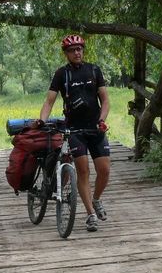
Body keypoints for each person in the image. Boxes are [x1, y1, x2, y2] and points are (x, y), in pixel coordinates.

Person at [38, 34, 110, 232]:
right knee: (83, 171)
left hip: (96, 128)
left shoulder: (94, 70)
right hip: (75, 130)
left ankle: (96, 199)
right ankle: (90, 214)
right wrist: (42, 120)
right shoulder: (62, 74)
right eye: (72, 50)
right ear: (66, 54)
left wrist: (102, 120)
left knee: (104, 171)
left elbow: (105, 100)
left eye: (79, 49)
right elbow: (49, 101)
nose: (77, 52)